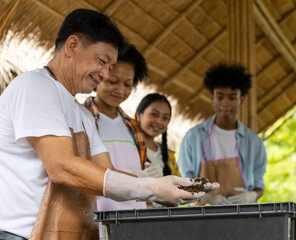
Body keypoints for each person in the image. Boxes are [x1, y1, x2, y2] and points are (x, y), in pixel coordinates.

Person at [0, 9, 218, 240]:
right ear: (72, 46)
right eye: (102, 62)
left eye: (109, 68)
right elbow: (61, 167)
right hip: (20, 234)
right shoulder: (34, 86)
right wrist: (151, 188)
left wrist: (162, 185)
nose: (104, 75)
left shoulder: (79, 113)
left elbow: (108, 172)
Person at [84, 44, 159, 240]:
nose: (120, 90)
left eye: (128, 85)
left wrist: (150, 177)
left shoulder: (133, 127)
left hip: (135, 217)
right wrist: (129, 177)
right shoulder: (82, 117)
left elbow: (142, 169)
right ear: (100, 75)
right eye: (113, 81)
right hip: (98, 218)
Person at [178, 63, 267, 205]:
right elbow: (184, 178)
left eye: (232, 98)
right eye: (220, 97)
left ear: (241, 99)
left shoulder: (254, 142)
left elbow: (259, 183)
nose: (225, 103)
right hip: (202, 213)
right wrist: (205, 197)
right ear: (212, 97)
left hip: (244, 214)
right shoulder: (194, 137)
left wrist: (251, 196)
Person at [136, 93, 181, 177]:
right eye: (154, 114)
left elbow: (180, 184)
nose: (159, 121)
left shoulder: (169, 156)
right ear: (139, 115)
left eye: (165, 118)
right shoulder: (128, 146)